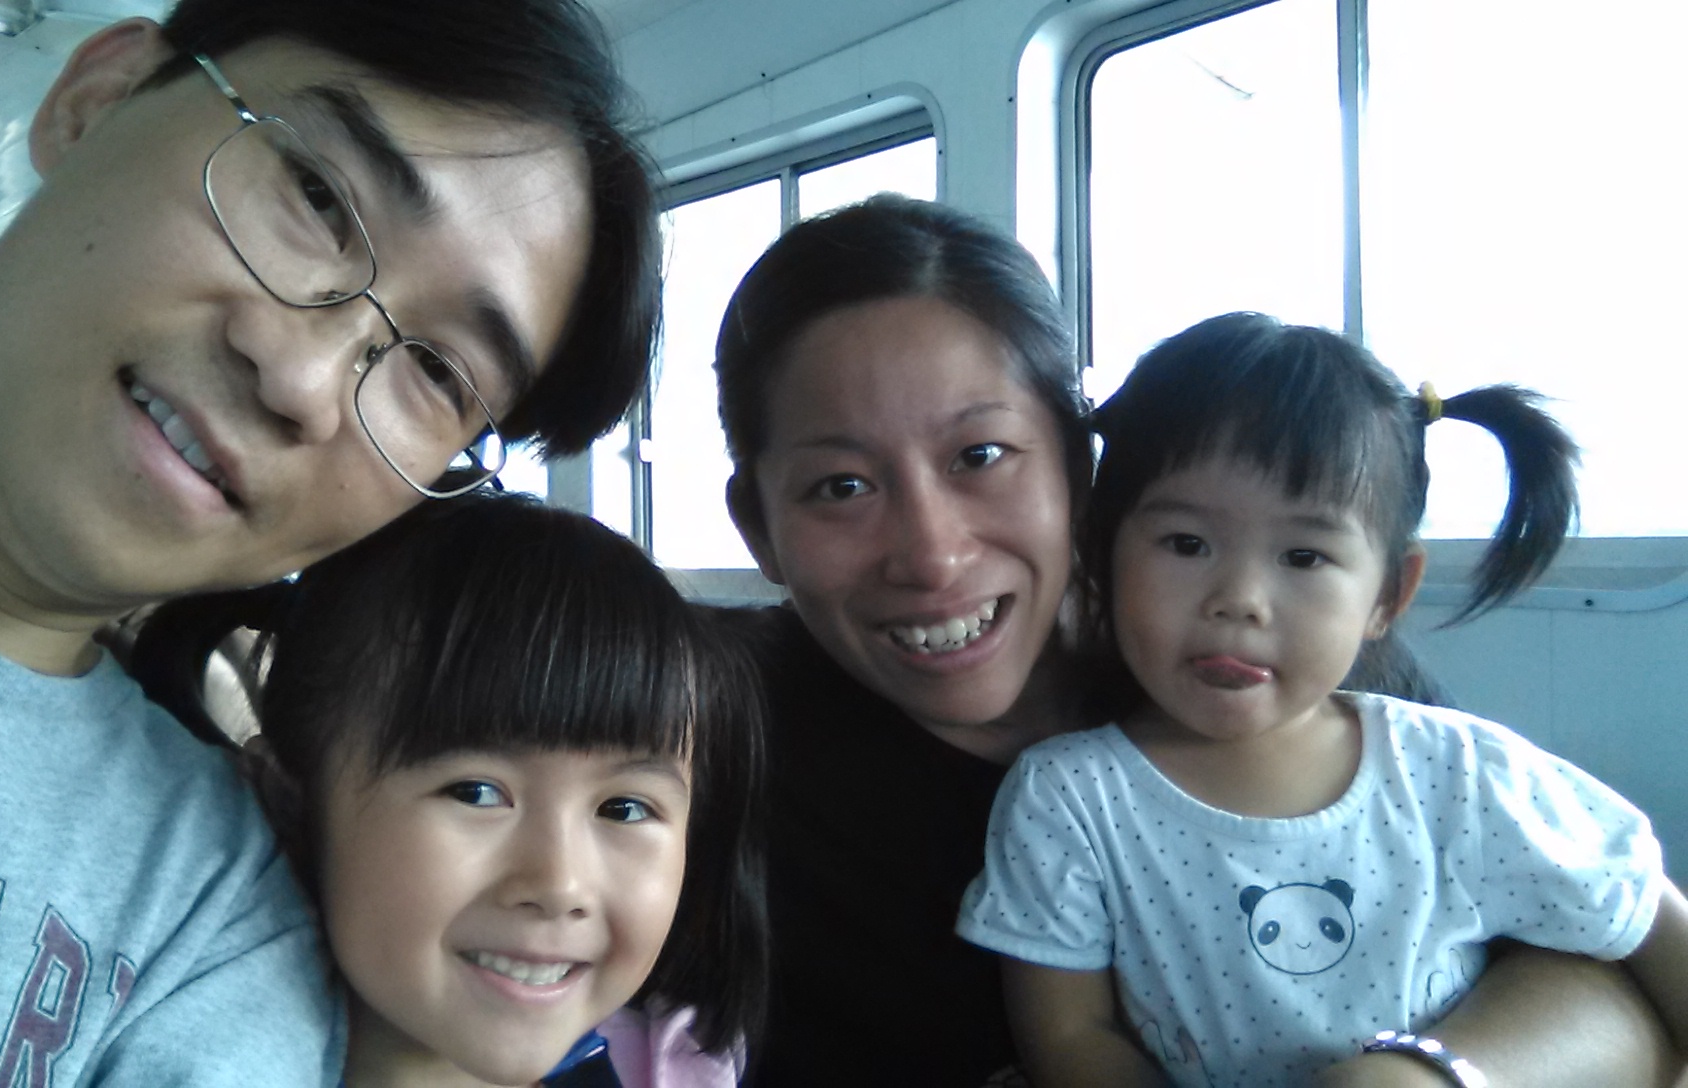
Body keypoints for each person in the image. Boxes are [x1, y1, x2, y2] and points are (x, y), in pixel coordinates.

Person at [0, 0, 658, 1083]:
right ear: (98, 100)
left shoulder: (214, 912)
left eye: (435, 372)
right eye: (317, 197)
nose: (301, 381)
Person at [711, 196, 1681, 1087]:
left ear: (1078, 468)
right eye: (841, 485)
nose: (932, 556)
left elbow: (1610, 976)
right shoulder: (703, 749)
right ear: (757, 524)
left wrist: (1421, 1074)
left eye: (982, 455)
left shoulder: (1330, 705)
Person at [955, 311, 1688, 1085]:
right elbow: (1071, 1036)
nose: (1240, 599)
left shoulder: (1458, 771)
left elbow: (1644, 914)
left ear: (1388, 595)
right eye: (1186, 544)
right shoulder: (1069, 798)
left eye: (1304, 556)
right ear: (1102, 556)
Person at [134, 494, 765, 1088]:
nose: (560, 885)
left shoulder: (669, 1064)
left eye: (623, 808)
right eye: (475, 792)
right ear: (291, 804)